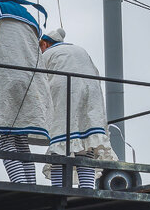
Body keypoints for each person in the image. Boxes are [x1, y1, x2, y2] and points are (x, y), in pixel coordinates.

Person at [0, 0, 52, 184]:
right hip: (29, 80)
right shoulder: (30, 17)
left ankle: (20, 184)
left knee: (5, 137)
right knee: (21, 139)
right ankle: (31, 186)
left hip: (4, 77)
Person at [38, 27, 115, 189]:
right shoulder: (80, 50)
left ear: (45, 43)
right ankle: (87, 189)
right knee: (87, 144)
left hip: (66, 93)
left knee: (59, 146)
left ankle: (59, 190)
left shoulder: (46, 54)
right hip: (92, 93)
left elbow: (38, 81)